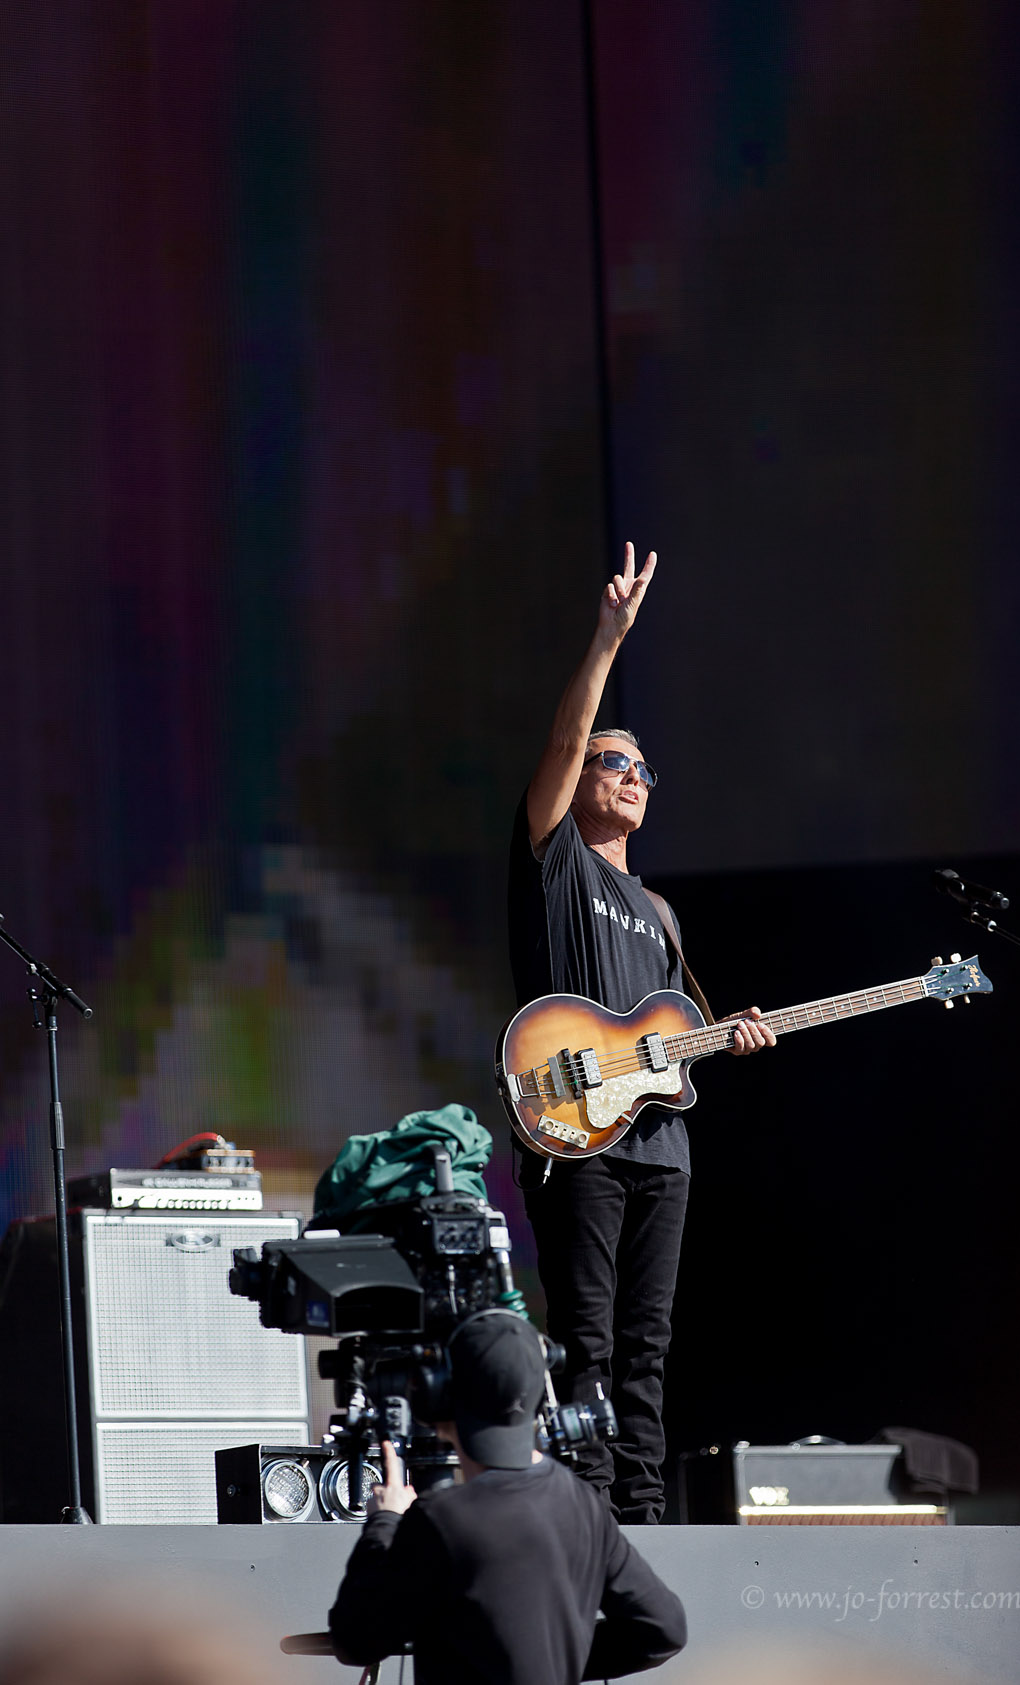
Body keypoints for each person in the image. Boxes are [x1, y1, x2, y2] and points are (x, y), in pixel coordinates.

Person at [507, 544, 776, 1524]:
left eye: (640, 768)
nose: (628, 775)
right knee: (588, 1335)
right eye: (611, 761)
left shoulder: (661, 912)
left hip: (662, 1144)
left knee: (649, 1343)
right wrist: (608, 639)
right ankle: (586, 1513)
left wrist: (725, 1035)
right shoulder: (557, 859)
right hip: (575, 1127)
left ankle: (645, 1513)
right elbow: (563, 738)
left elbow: (670, 1032)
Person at [327, 1309, 686, 1685]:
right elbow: (664, 1629)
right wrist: (555, 1659)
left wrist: (384, 1521)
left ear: (441, 1395)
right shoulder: (584, 1504)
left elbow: (354, 1641)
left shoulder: (440, 1518)